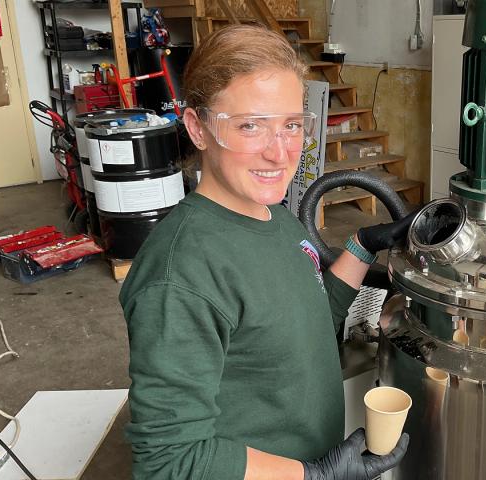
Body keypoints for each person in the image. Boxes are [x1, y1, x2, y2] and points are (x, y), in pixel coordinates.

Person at [119, 24, 413, 480]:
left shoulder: (272, 215)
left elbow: (307, 318)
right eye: (250, 126)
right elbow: (169, 460)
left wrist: (361, 245)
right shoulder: (181, 274)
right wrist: (314, 475)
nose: (280, 153)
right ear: (197, 128)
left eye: (292, 125)